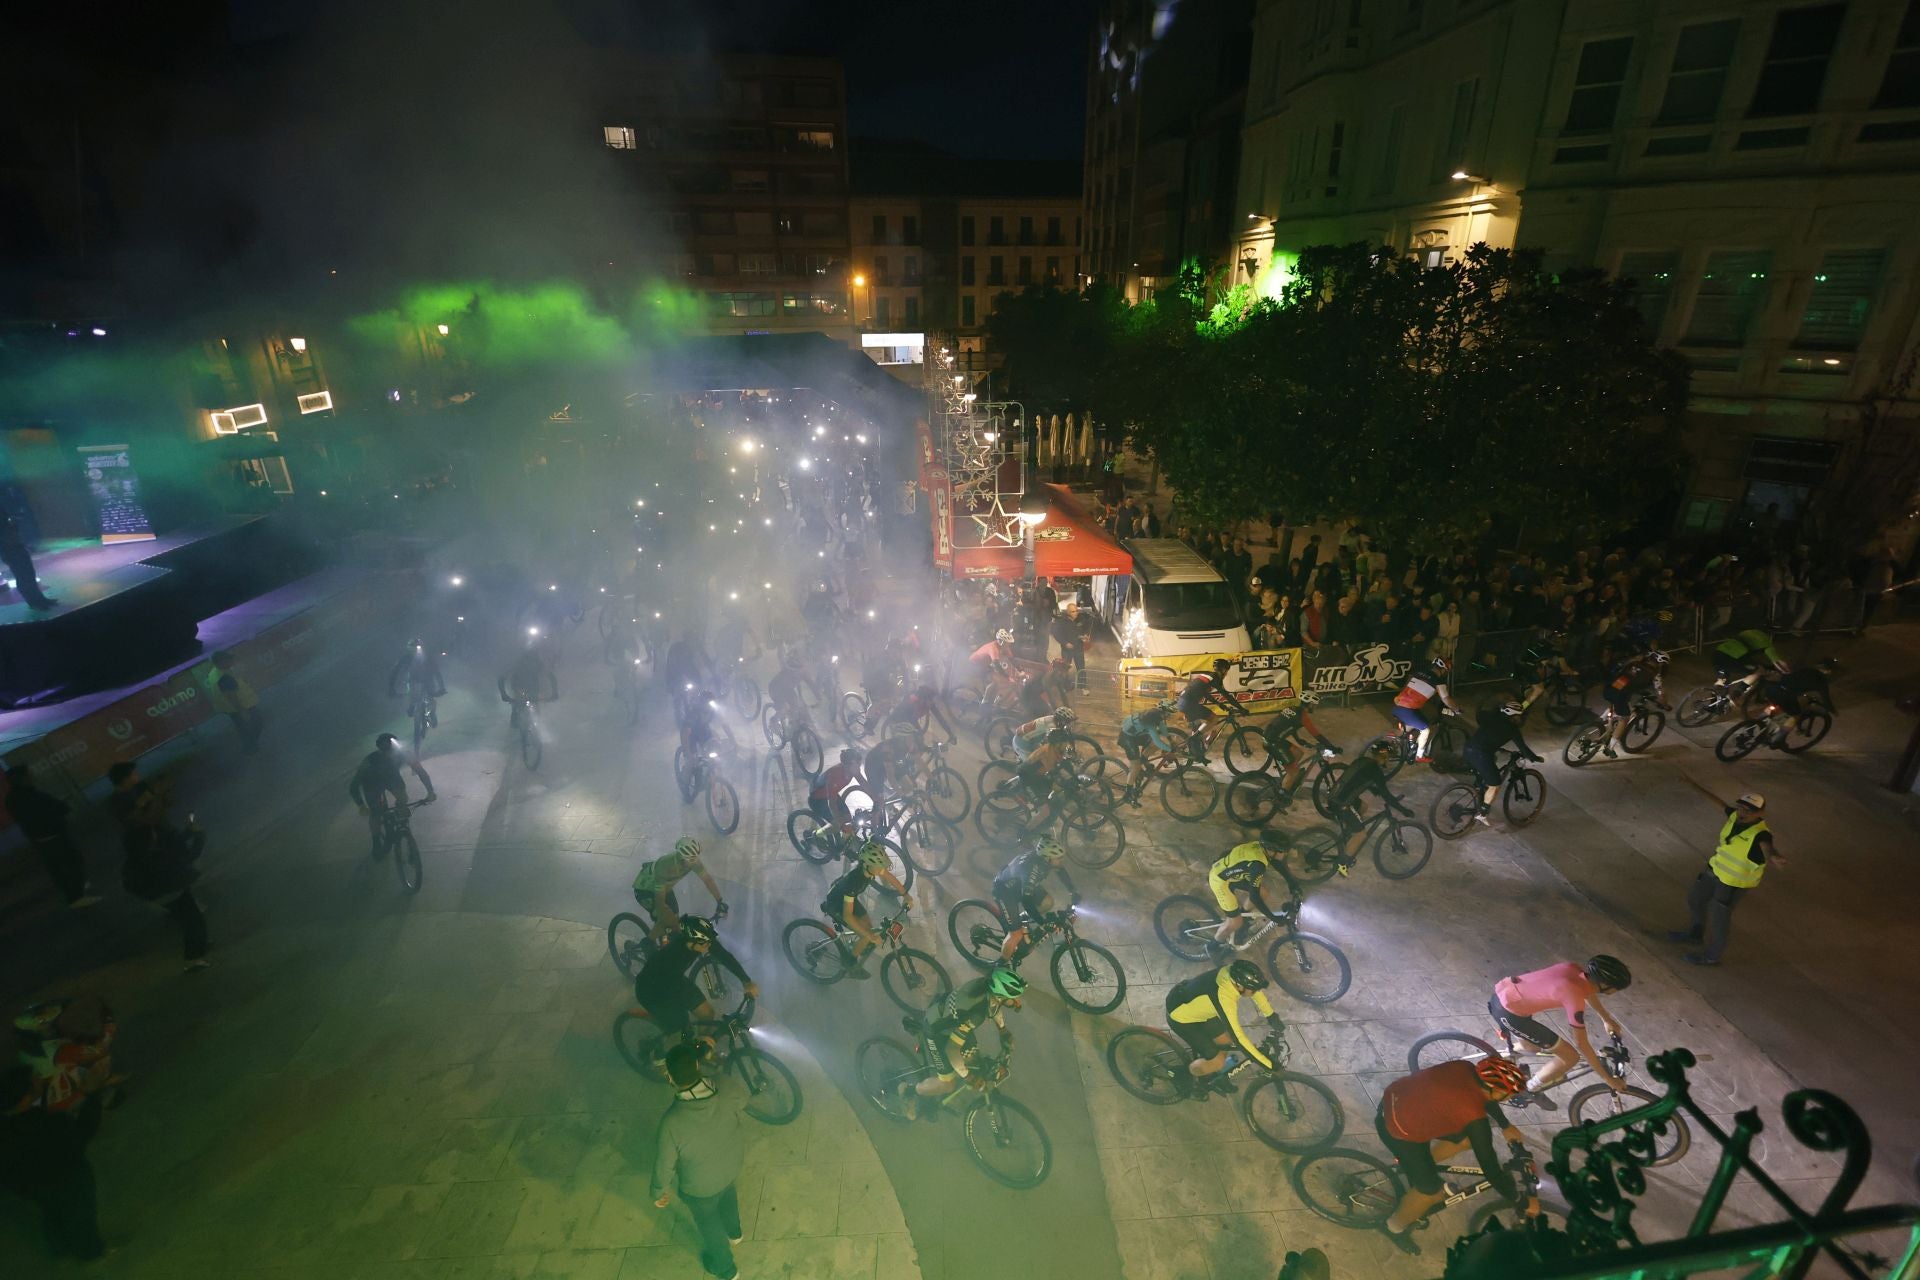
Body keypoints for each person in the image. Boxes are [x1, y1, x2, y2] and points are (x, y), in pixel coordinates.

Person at [1377, 1055, 1535, 1253]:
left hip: (1397, 1099)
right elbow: (1490, 1167)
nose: (1512, 1097)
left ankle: (1420, 1165)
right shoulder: (1474, 1117)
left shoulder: (1465, 1067)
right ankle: (1393, 1228)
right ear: (1496, 1091)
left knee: (1465, 1140)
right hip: (1398, 1129)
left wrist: (1505, 1125)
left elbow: (1483, 1096)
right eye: (1510, 1094)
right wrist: (1518, 1199)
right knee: (1430, 1192)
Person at [651, 1041, 749, 1280]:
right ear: (697, 1065)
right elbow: (744, 1099)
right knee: (728, 1194)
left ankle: (726, 1269)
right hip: (731, 1165)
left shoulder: (672, 1123)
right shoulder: (725, 1086)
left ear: (670, 1079)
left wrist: (658, 1191)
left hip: (700, 1187)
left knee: (708, 1223)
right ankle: (735, 1232)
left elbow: (665, 1164)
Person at [107, 762, 210, 972]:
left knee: (189, 911)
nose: (138, 775)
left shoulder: (142, 799)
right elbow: (148, 820)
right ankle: (193, 958)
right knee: (191, 918)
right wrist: (197, 837)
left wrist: (163, 794)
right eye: (133, 773)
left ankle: (198, 944)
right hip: (160, 878)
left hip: (160, 871)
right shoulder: (124, 810)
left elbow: (163, 808)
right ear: (125, 778)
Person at [1489, 956, 1632, 1095]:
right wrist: (1608, 1079)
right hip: (1510, 1013)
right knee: (1570, 1057)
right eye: (1616, 988)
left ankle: (1501, 1060)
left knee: (1532, 1046)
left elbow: (1588, 991)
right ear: (1606, 985)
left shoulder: (1573, 969)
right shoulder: (1573, 995)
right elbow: (1581, 1043)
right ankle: (1529, 1089)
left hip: (1505, 995)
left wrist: (1606, 1019)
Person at [1669, 793, 1781, 966]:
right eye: (1741, 807)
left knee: (1719, 918)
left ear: (1760, 813)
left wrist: (1774, 855)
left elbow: (1768, 846)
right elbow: (1721, 804)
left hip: (1733, 883)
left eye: (1749, 810)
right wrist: (1693, 786)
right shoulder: (1734, 816)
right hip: (1715, 869)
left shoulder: (1760, 834)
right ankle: (1695, 935)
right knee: (1695, 899)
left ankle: (1711, 957)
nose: (1743, 812)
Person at [901, 969, 1025, 1119]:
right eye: (1014, 998)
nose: (1018, 1002)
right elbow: (952, 1050)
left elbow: (993, 1009)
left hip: (950, 1018)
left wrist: (1003, 1030)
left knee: (973, 1060)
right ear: (999, 996)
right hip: (936, 1031)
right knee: (948, 1084)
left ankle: (958, 1072)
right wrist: (968, 1077)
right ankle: (909, 1092)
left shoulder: (986, 988)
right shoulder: (976, 1014)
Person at [630, 915, 755, 1048]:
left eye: (709, 942)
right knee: (680, 1033)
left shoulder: (700, 941)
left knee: (707, 1014)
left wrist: (746, 981)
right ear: (691, 942)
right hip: (651, 990)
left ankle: (700, 1048)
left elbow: (724, 956)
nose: (708, 946)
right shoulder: (673, 955)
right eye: (704, 944)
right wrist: (683, 1020)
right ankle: (663, 1060)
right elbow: (671, 993)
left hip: (674, 980)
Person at [1165, 959, 1284, 1092]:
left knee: (1226, 1042)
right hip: (1181, 1017)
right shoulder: (1224, 997)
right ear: (1239, 986)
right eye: (1252, 989)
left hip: (1193, 1005)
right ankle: (1183, 1074)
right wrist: (1267, 1064)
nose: (1254, 992)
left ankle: (1212, 1075)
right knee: (1218, 1061)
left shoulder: (1231, 972)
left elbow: (1256, 991)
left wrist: (1270, 1015)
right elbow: (1239, 1038)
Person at [3, 765, 98, 908]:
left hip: (41, 839)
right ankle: (76, 896)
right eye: (28, 775)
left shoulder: (13, 799)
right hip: (52, 835)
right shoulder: (31, 795)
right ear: (22, 778)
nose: (32, 777)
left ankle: (76, 892)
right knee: (69, 863)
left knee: (61, 867)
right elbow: (53, 809)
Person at [819, 841, 911, 977]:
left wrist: (906, 895)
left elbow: (889, 877)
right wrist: (870, 936)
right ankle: (850, 962)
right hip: (837, 904)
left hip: (848, 898)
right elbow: (848, 916)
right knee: (866, 934)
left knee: (868, 927)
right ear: (867, 865)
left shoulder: (870, 868)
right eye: (878, 866)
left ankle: (860, 944)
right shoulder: (854, 881)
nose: (881, 869)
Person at [1206, 829, 1305, 954]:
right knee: (1235, 922)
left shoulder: (1261, 848)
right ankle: (1212, 947)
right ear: (1271, 851)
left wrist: (1292, 883)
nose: (1284, 854)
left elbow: (1277, 862)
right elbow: (1254, 897)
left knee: (1264, 892)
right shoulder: (1257, 865)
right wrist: (1273, 917)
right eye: (1282, 851)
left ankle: (1244, 920)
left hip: (1232, 873)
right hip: (1220, 881)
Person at [990, 835, 1077, 964]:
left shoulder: (1043, 861)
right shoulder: (1031, 871)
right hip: (1005, 892)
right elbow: (1026, 900)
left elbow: (1061, 870)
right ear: (1048, 858)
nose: (1061, 860)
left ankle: (1019, 919)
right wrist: (1042, 922)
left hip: (1021, 886)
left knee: (1047, 902)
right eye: (1058, 858)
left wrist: (1072, 891)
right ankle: (1000, 965)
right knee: (1016, 934)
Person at [348, 733, 436, 858]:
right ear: (380, 750)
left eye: (391, 751)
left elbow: (421, 772)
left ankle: (401, 824)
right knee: (377, 811)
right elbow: (354, 786)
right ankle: (376, 842)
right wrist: (361, 805)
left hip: (390, 777)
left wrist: (430, 791)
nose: (389, 754)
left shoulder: (403, 754)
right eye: (386, 751)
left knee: (402, 798)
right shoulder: (369, 761)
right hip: (371, 782)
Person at [631, 837, 726, 941]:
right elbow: (660, 901)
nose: (693, 863)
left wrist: (719, 901)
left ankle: (666, 942)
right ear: (681, 857)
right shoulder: (666, 865)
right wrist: (668, 917)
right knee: (665, 920)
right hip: (645, 891)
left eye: (695, 859)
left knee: (675, 920)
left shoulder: (693, 861)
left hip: (665, 888)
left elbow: (708, 880)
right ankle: (647, 944)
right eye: (690, 860)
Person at [1462, 702, 1544, 822]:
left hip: (1468, 749)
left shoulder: (1490, 717)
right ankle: (1483, 813)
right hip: (1480, 755)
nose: (1519, 719)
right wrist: (1535, 758)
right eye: (1518, 716)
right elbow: (1524, 749)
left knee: (1489, 763)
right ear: (1513, 716)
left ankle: (1479, 789)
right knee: (1495, 784)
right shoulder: (1512, 729)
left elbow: (1481, 718)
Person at [1256, 692, 1338, 797]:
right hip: (1275, 742)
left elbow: (1288, 725)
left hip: (1270, 737)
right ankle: (1282, 796)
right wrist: (1332, 747)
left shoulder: (1291, 709)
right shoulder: (1303, 716)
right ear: (1309, 704)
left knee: (1298, 753)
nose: (1315, 707)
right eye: (1314, 704)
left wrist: (1299, 740)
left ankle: (1287, 778)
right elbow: (1316, 734)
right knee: (1294, 771)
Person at [1600, 650, 1668, 758]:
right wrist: (1664, 703)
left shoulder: (1635, 663)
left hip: (1609, 688)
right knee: (1624, 718)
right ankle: (1610, 748)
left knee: (1619, 702)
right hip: (1620, 695)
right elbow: (1661, 692)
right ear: (1660, 663)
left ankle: (1601, 721)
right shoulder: (1654, 674)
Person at [1390, 657, 1459, 762]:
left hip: (1397, 705)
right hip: (1408, 710)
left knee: (1413, 723)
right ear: (1443, 669)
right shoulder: (1438, 681)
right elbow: (1446, 699)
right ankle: (1419, 755)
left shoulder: (1418, 673)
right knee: (1425, 730)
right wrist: (1457, 709)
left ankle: (1391, 742)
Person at [1175, 659, 1242, 762]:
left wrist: (1219, 704)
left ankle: (1197, 755)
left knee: (1197, 727)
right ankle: (1195, 740)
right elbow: (1227, 695)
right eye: (1226, 671)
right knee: (1213, 719)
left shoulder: (1208, 676)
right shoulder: (1215, 678)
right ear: (1223, 670)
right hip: (1189, 704)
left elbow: (1205, 693)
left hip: (1182, 702)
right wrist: (1241, 708)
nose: (1226, 674)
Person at [1758, 657, 1836, 744]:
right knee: (1796, 715)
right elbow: (1826, 698)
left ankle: (1756, 723)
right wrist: (1831, 709)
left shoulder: (1805, 669)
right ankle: (1776, 739)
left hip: (1772, 689)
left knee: (1775, 704)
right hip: (1785, 694)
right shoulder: (1822, 679)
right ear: (1828, 671)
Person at [1117, 699, 1179, 807]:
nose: (1169, 716)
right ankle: (1127, 794)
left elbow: (1163, 728)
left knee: (1152, 745)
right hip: (1127, 738)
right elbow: (1158, 742)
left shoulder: (1156, 715)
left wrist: (1170, 739)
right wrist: (1170, 749)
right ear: (1164, 712)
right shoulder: (1150, 720)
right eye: (1169, 714)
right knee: (1135, 767)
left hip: (1135, 734)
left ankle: (1143, 760)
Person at [202, 650, 264, 752]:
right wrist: (243, 711)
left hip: (230, 709)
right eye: (228, 659)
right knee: (256, 724)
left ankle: (250, 748)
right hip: (242, 707)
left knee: (244, 729)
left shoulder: (214, 673)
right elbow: (232, 697)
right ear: (221, 662)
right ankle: (251, 749)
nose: (231, 660)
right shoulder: (225, 678)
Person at [0, 508, 57, 610]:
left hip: (16, 546)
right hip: (9, 549)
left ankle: (39, 599)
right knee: (22, 576)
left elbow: (10, 526)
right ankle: (34, 601)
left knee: (29, 574)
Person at [807, 749, 865, 844]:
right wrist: (840, 824)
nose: (858, 767)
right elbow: (832, 804)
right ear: (846, 765)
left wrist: (877, 799)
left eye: (859, 764)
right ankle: (814, 835)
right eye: (856, 765)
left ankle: (844, 843)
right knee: (838, 823)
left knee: (848, 818)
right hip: (817, 799)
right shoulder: (835, 774)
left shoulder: (852, 770)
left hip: (830, 794)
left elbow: (864, 784)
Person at [387, 638, 447, 725]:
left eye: (417, 647)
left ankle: (432, 712)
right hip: (413, 681)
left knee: (431, 697)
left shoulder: (427, 657)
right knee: (412, 695)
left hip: (427, 680)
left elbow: (436, 672)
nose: (415, 650)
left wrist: (442, 687)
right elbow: (395, 671)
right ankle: (412, 705)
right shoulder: (406, 658)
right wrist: (391, 687)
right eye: (413, 647)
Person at [1713, 628, 1787, 687]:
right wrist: (1786, 671)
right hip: (1733, 658)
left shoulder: (1748, 632)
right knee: (1759, 671)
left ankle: (1714, 701)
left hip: (1718, 653)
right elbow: (1777, 661)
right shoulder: (1766, 642)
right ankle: (1736, 696)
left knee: (1722, 679)